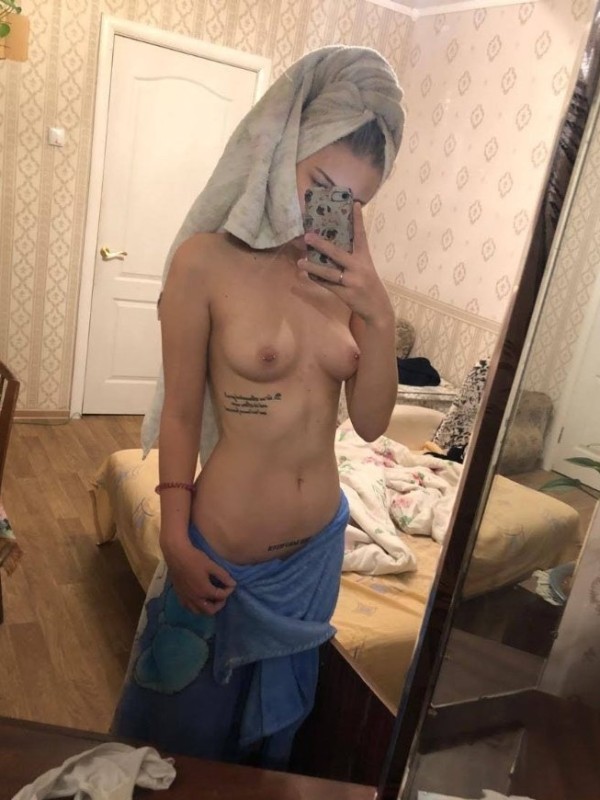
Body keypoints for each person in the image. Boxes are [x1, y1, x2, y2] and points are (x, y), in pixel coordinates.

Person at [112, 45, 405, 769]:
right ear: (281, 155)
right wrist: (175, 539)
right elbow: (182, 413)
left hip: (316, 555)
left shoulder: (349, 283)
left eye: (355, 202)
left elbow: (371, 423)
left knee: (269, 753)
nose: (332, 212)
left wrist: (379, 312)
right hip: (223, 552)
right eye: (322, 185)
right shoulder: (205, 262)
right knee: (174, 749)